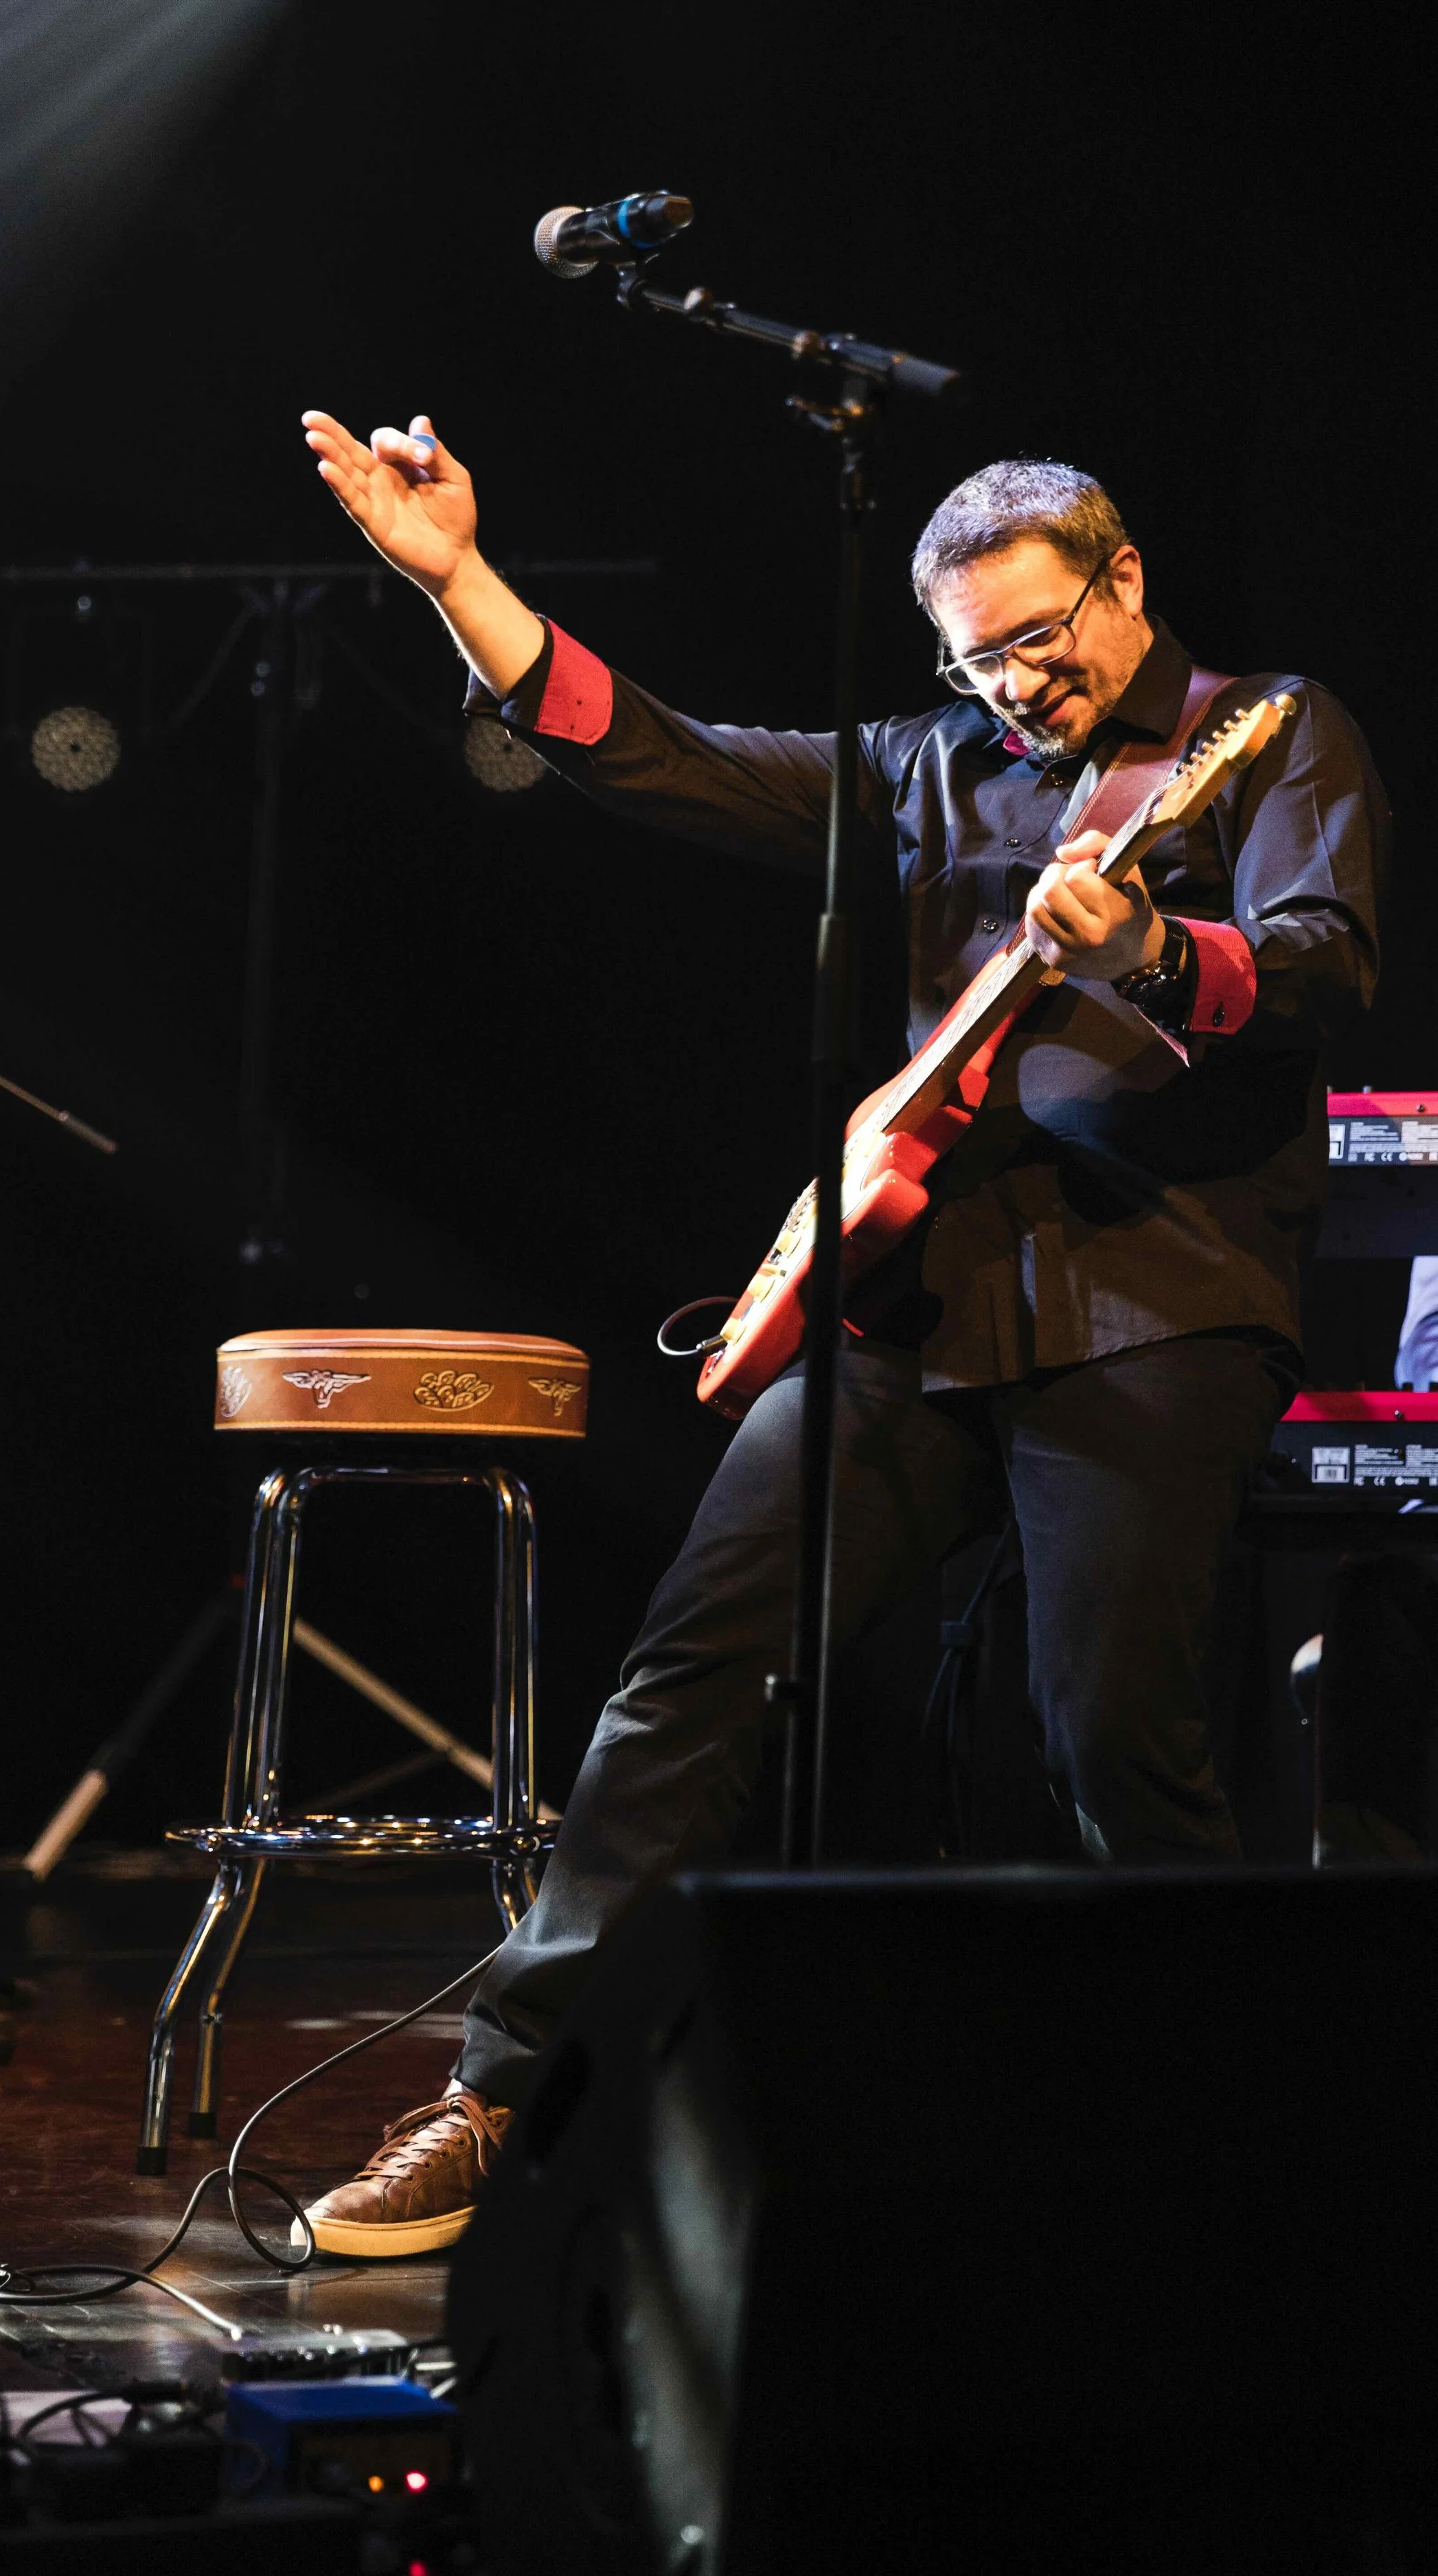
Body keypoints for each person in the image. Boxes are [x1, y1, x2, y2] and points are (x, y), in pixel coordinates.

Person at [293, 407, 1389, 2258]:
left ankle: (1220, 2127)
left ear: (1122, 582)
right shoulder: (916, 764)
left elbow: (1321, 959)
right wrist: (457, 580)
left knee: (1108, 1736)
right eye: (975, 657)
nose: (1012, 685)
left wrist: (1140, 954)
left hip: (1155, 1291)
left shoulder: (1267, 727)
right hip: (903, 1301)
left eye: (1039, 639)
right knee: (689, 1675)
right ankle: (501, 2093)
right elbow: (649, 758)